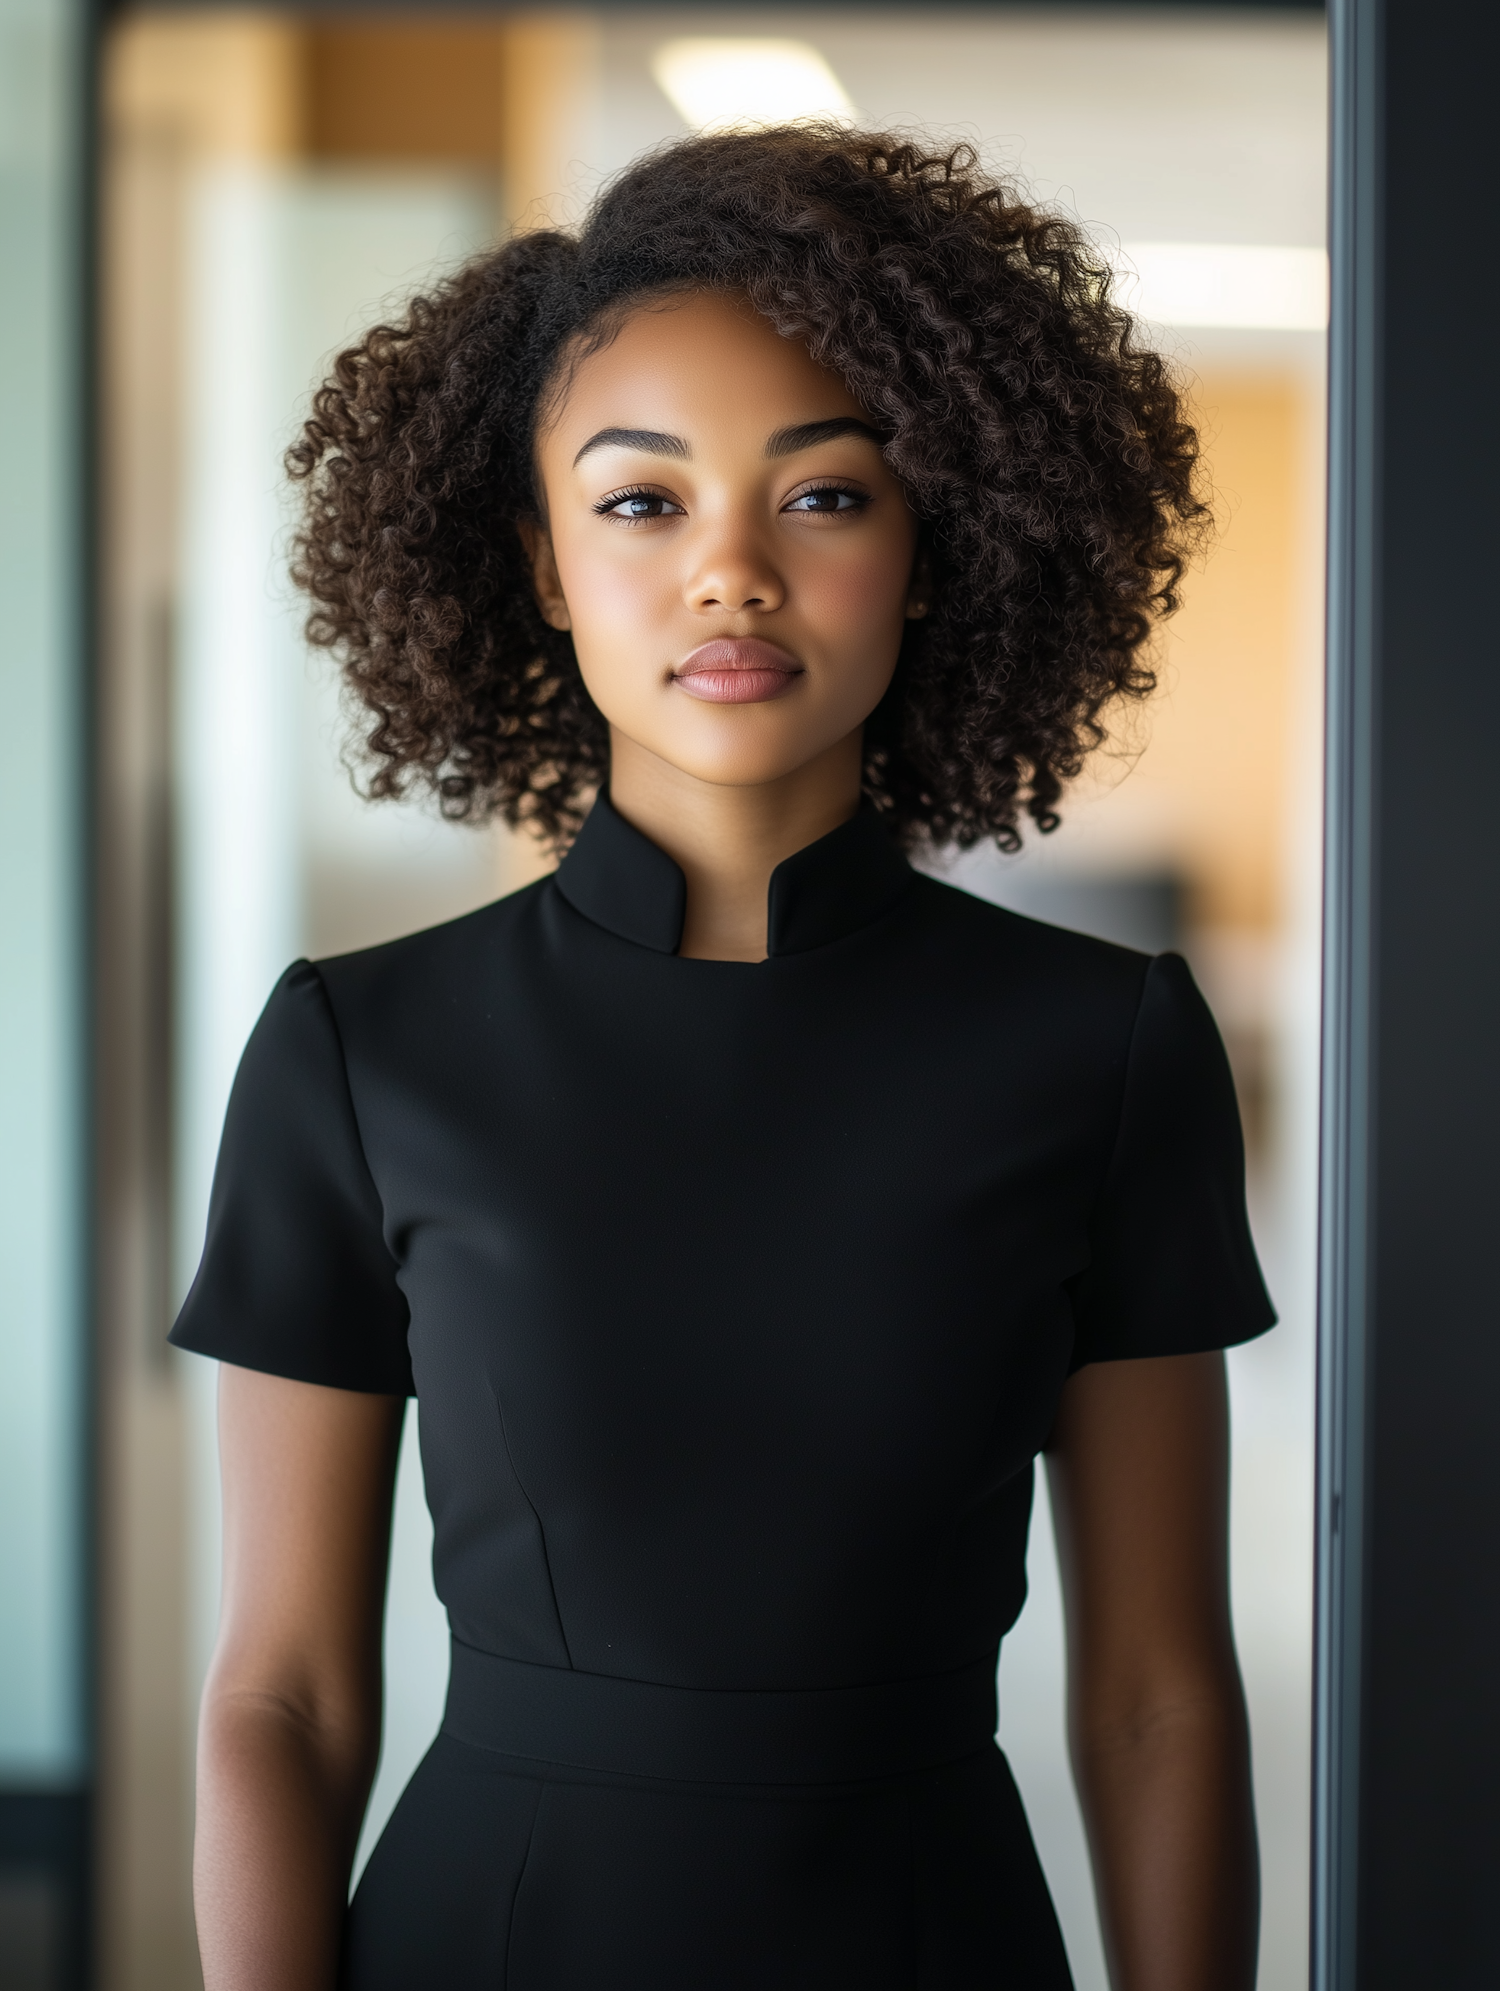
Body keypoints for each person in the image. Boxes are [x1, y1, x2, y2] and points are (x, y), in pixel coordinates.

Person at [171, 128, 1274, 1991]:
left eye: (826, 498)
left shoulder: (1103, 1049)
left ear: (934, 551)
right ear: (536, 559)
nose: (732, 575)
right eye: (641, 502)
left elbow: (1161, 1696)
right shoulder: (359, 1053)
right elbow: (279, 1692)